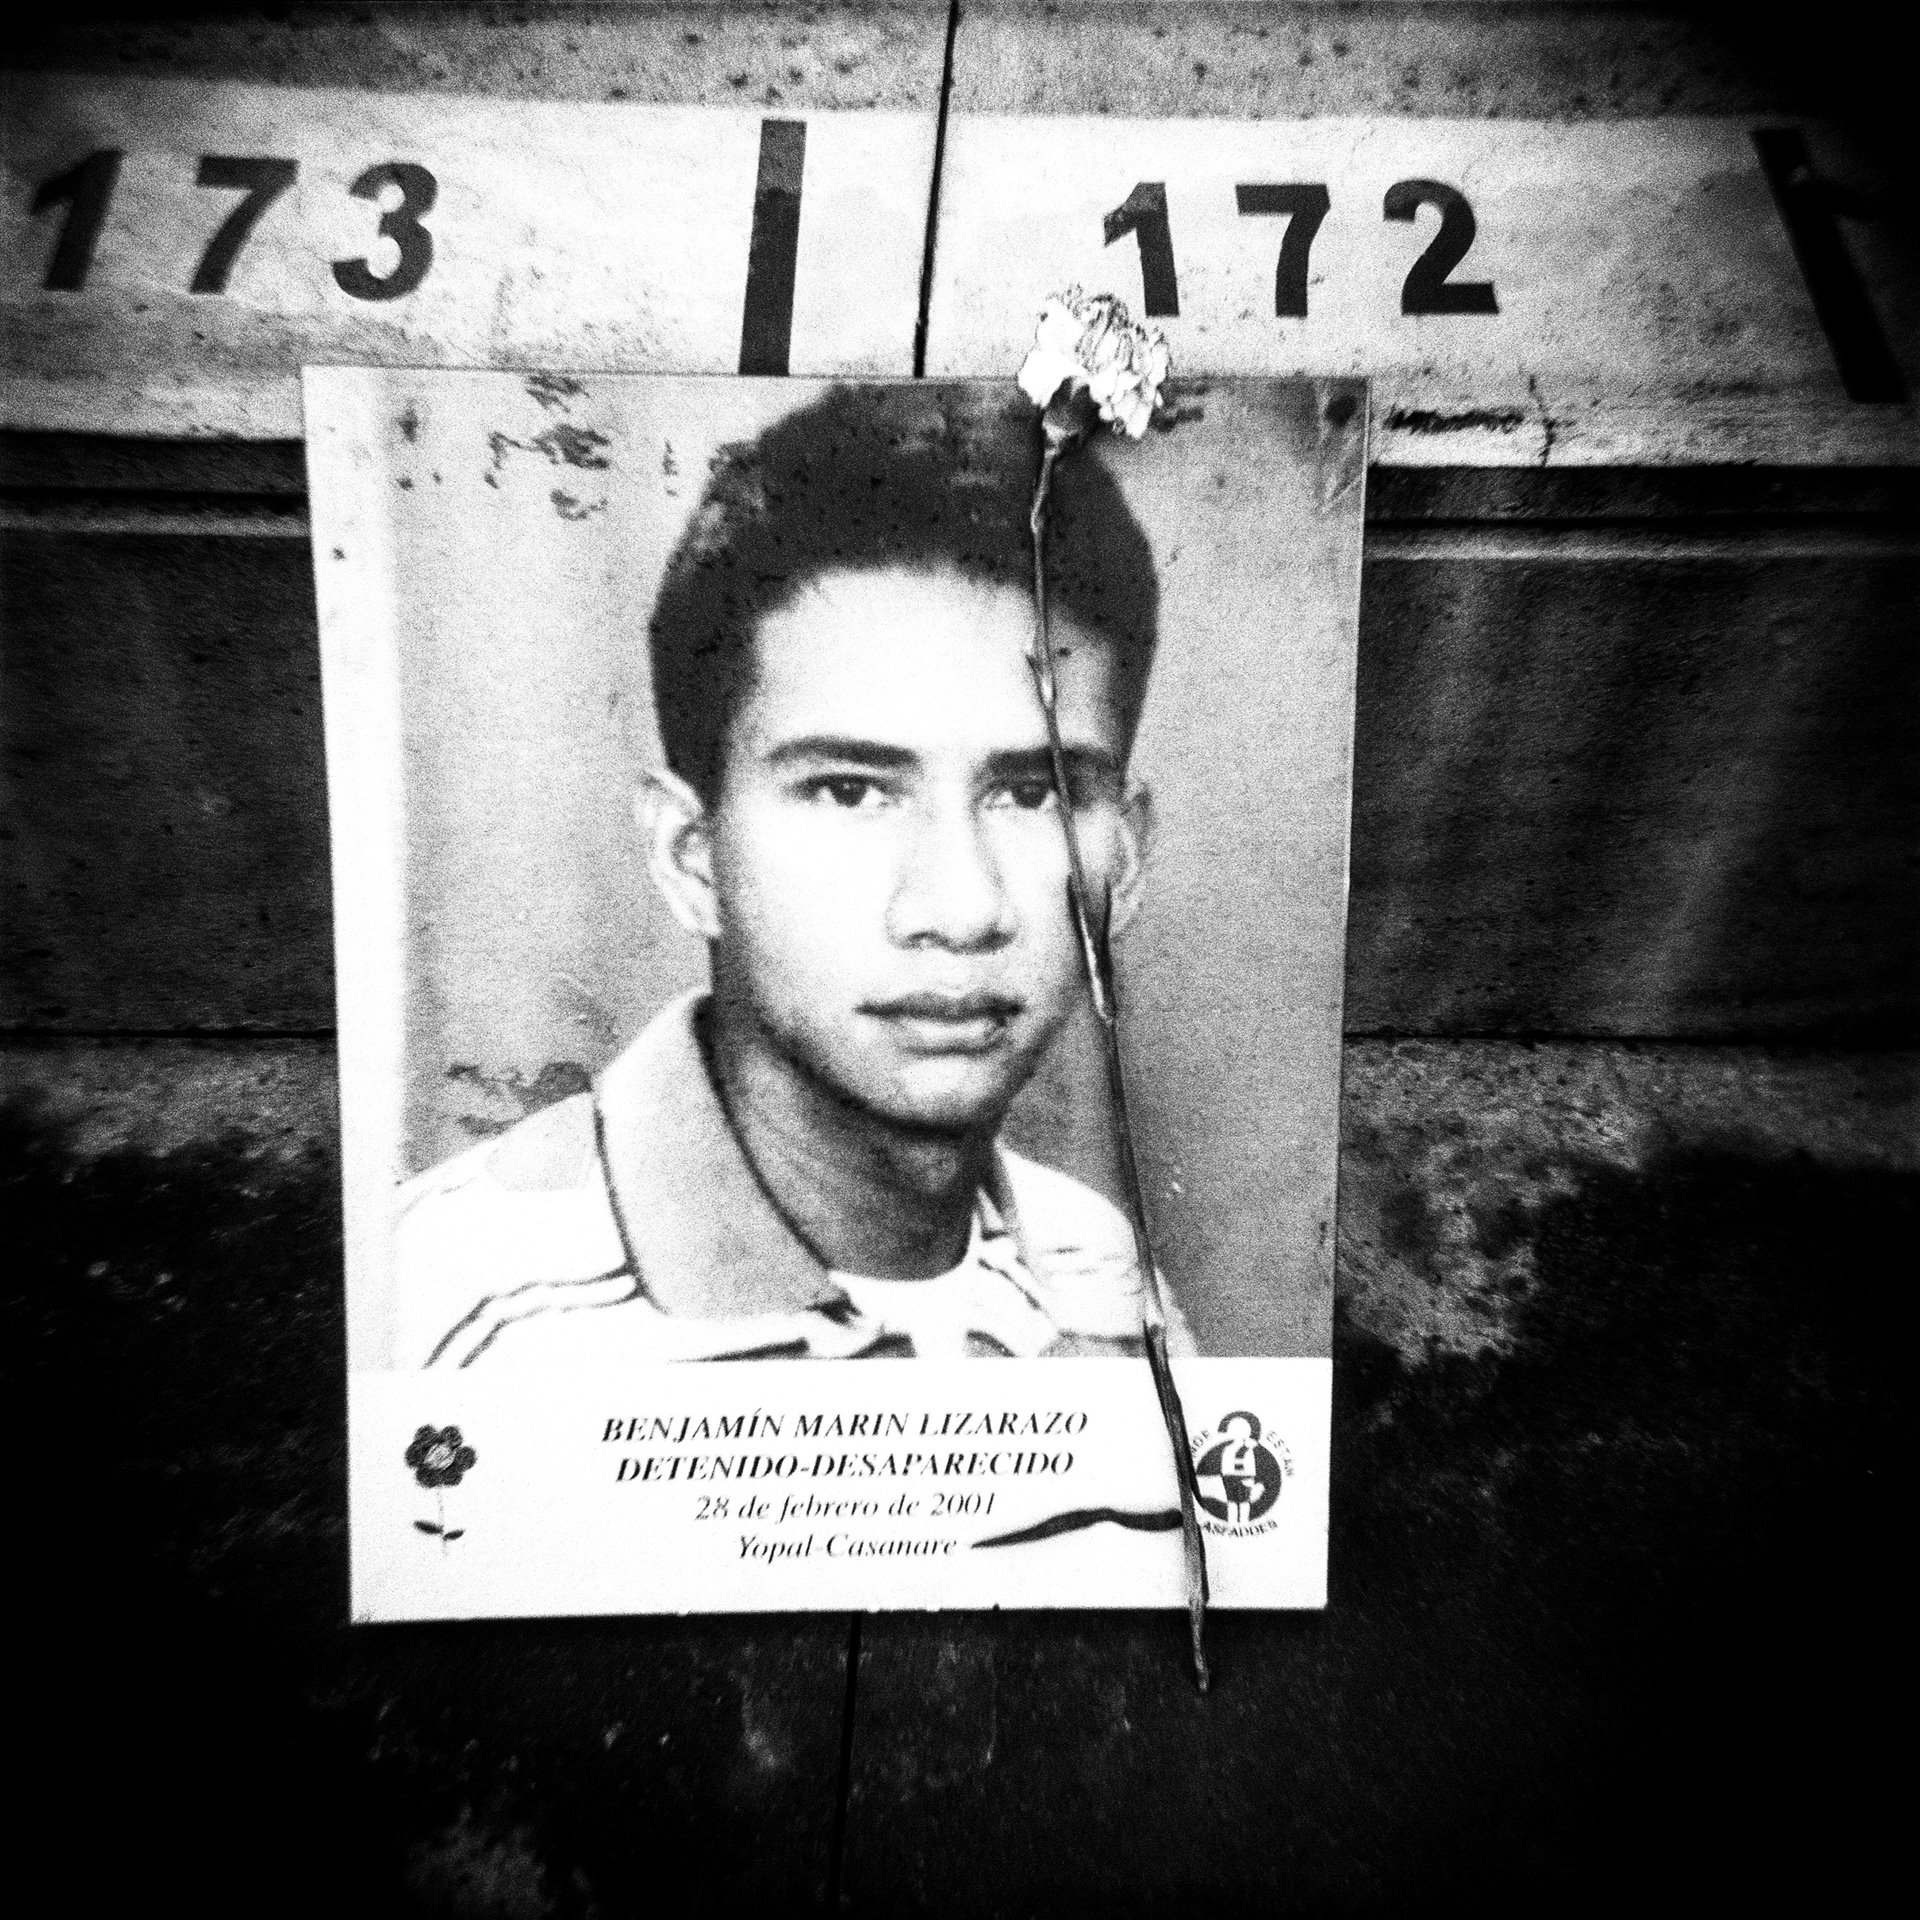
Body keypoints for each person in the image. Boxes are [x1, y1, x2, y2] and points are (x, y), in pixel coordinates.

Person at [392, 385, 1192, 1367]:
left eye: (1033, 795)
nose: (962, 908)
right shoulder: (443, 1308)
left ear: (1130, 854)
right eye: (850, 790)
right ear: (691, 858)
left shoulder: (1104, 1275)